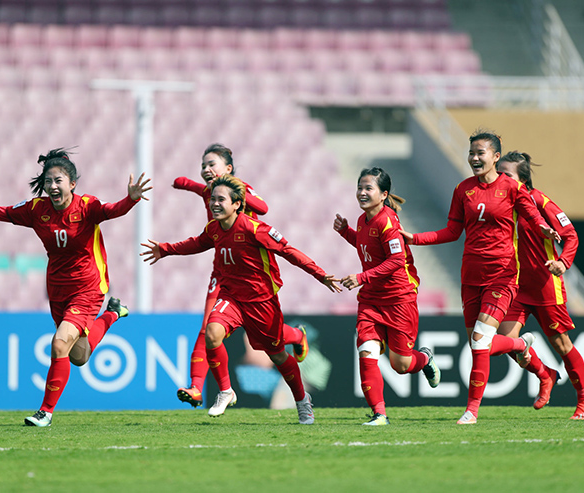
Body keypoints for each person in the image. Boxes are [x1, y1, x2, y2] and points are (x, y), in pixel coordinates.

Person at [0, 148, 152, 427]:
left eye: (58, 181)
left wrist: (131, 199)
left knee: (59, 343)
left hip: (88, 288)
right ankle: (113, 313)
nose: (52, 186)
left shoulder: (87, 206)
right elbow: (0, 212)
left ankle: (45, 412)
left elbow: (112, 210)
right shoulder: (37, 210)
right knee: (79, 356)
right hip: (57, 290)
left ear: (72, 184)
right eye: (48, 181)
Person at [141, 174, 341, 424]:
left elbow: (289, 251)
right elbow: (197, 243)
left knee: (277, 355)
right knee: (212, 333)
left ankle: (302, 400)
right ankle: (226, 391)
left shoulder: (256, 229)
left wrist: (320, 275)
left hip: (261, 301)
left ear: (237, 204)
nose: (215, 204)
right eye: (213, 199)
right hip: (231, 297)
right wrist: (166, 249)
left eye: (221, 200)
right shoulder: (214, 229)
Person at [400, 130, 560, 425]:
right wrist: (416, 238)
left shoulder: (511, 187)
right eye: (471, 153)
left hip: (502, 275)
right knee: (481, 347)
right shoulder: (463, 189)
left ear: (496, 157)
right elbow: (452, 231)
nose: (474, 158)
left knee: (479, 340)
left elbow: (532, 215)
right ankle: (531, 358)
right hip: (470, 277)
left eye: (480, 153)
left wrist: (544, 228)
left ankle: (471, 411)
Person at [172, 143, 309, 408]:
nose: (206, 169)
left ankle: (296, 335)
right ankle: (196, 387)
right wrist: (184, 183)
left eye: (211, 164)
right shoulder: (210, 192)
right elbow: (191, 185)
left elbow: (263, 208)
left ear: (228, 168)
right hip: (223, 270)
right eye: (203, 166)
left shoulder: (238, 190)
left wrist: (237, 192)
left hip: (251, 273)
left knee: (268, 337)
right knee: (208, 328)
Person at [334, 167, 441, 426]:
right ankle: (379, 414)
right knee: (366, 350)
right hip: (371, 299)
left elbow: (396, 260)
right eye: (360, 187)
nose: (362, 192)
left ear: (383, 194)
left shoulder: (388, 222)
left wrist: (361, 277)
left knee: (401, 365)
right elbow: (368, 246)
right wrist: (346, 232)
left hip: (398, 298)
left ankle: (425, 359)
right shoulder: (363, 219)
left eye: (368, 188)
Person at [497, 151, 584, 420]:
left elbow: (570, 234)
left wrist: (563, 262)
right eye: (499, 173)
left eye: (507, 175)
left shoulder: (540, 201)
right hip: (515, 286)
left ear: (522, 180)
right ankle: (545, 373)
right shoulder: (499, 205)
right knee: (506, 341)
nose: (500, 179)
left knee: (562, 345)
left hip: (544, 286)